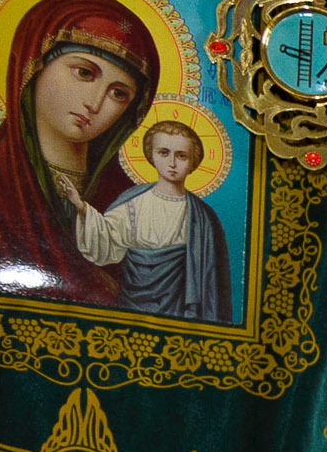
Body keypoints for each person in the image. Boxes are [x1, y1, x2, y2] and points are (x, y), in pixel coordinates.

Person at [0, 0, 157, 305]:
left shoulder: (132, 204)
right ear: (34, 65)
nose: (95, 103)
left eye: (118, 93)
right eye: (84, 73)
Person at [72, 113, 228, 322]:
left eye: (181, 156)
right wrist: (82, 208)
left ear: (193, 161)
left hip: (179, 308)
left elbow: (211, 278)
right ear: (151, 155)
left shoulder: (203, 217)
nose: (172, 162)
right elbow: (106, 239)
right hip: (132, 303)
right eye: (164, 153)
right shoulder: (133, 202)